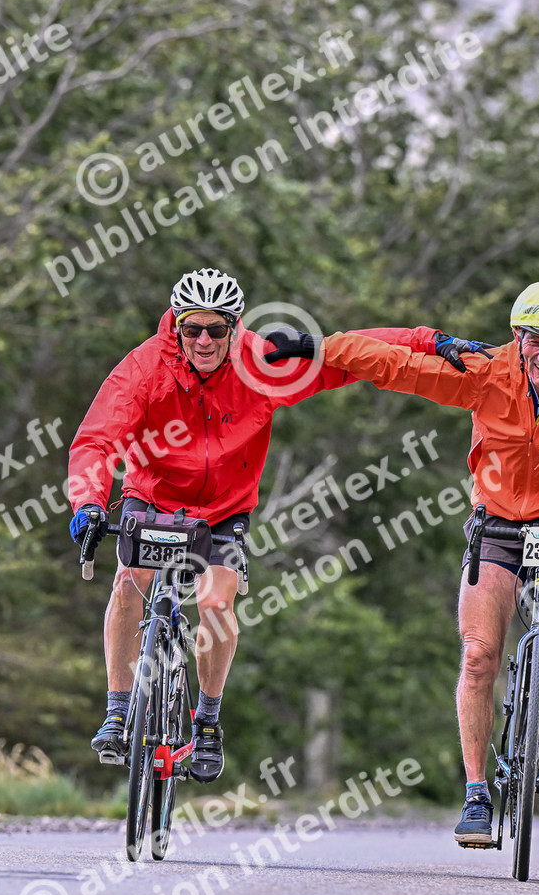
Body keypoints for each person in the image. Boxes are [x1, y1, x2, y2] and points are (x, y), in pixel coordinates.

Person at [265, 281, 539, 847]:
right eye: (535, 343)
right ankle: (476, 793)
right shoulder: (489, 373)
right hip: (499, 519)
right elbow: (394, 364)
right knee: (478, 658)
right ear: (517, 337)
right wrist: (317, 347)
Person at [67, 267, 481, 782]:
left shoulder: (260, 364)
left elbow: (347, 354)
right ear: (176, 324)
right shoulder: (144, 368)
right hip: (151, 497)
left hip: (223, 509)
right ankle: (117, 709)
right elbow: (96, 440)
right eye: (192, 328)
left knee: (216, 605)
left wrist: (428, 341)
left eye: (216, 329)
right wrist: (88, 503)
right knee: (129, 581)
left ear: (235, 327)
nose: (203, 341)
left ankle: (208, 721)